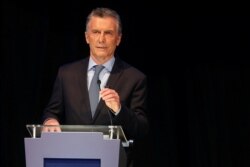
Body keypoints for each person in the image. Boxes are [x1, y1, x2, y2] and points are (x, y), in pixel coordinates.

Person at [42, 7, 149, 167]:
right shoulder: (66, 73)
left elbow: (141, 129)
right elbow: (52, 110)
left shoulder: (135, 78)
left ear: (118, 39)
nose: (101, 39)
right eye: (96, 32)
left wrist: (119, 109)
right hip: (72, 159)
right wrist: (50, 120)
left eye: (108, 33)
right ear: (87, 37)